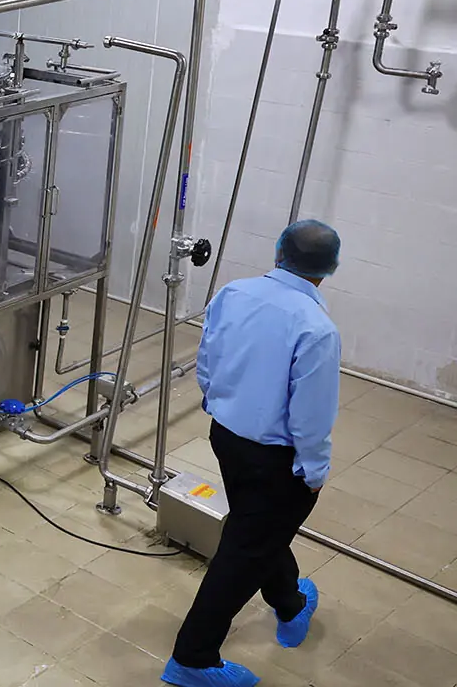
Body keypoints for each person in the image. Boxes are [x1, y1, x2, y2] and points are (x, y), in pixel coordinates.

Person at [162, 220, 342, 687]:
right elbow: (311, 415)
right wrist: (315, 469)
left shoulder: (233, 293)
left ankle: (290, 603)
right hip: (275, 459)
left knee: (257, 527)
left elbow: (207, 357)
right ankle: (192, 659)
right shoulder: (316, 327)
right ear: (331, 269)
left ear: (277, 251)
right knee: (244, 549)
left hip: (227, 436)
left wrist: (216, 401)